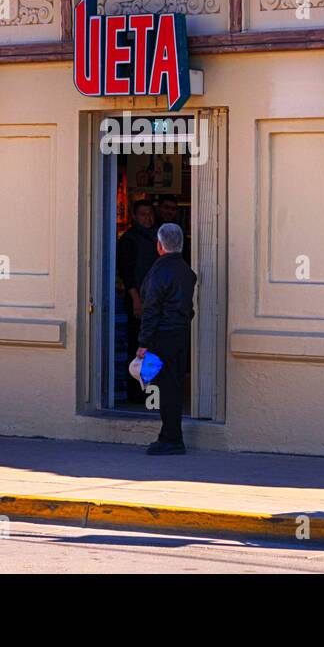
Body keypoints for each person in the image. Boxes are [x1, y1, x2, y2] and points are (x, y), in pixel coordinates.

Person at [136, 223, 197, 455]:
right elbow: (188, 307)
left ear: (159, 245)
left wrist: (144, 342)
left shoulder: (159, 272)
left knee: (166, 388)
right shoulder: (185, 270)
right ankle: (170, 435)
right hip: (180, 333)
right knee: (175, 385)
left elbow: (151, 309)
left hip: (162, 335)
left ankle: (171, 438)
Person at [116, 199, 159, 402]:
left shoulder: (158, 237)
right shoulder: (129, 239)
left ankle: (153, 392)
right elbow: (127, 273)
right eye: (143, 214)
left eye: (150, 213)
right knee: (138, 345)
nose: (147, 218)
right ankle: (137, 393)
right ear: (135, 216)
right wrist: (136, 300)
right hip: (138, 302)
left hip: (156, 301)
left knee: (154, 346)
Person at [156, 194, 190, 263]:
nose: (169, 211)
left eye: (173, 209)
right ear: (159, 208)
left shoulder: (179, 231)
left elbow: (185, 255)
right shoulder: (150, 228)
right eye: (166, 207)